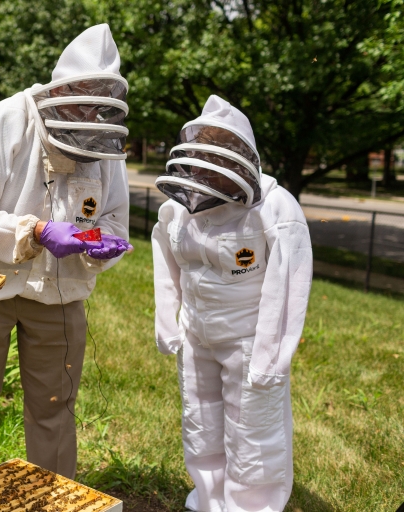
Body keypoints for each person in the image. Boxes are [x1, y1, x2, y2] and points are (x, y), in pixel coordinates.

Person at [0, 24, 132, 481]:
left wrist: (99, 245)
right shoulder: (6, 119)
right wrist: (34, 230)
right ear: (61, 87)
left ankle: (51, 496)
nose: (89, 112)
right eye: (81, 98)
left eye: (97, 103)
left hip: (60, 292)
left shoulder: (105, 142)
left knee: (55, 403)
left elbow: (113, 219)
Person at [151, 95, 313, 512]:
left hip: (247, 341)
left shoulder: (276, 208)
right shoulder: (178, 209)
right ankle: (207, 501)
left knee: (253, 433)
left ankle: (251, 507)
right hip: (196, 335)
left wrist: (270, 358)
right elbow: (166, 258)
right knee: (200, 423)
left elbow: (287, 286)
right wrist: (169, 323)